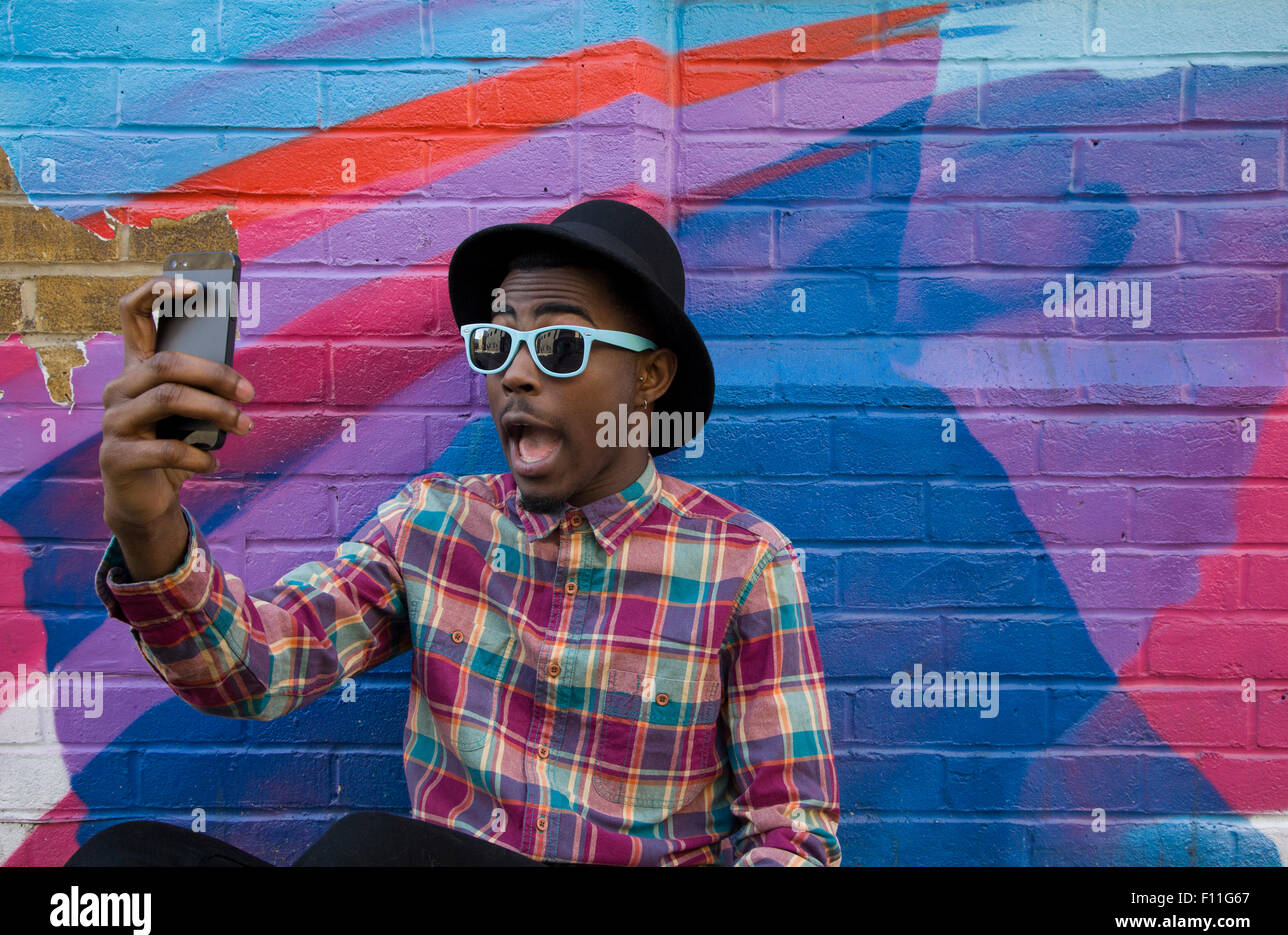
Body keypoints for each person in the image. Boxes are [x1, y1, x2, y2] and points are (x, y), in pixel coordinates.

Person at [77, 198, 840, 866]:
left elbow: (793, 835)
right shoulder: (435, 525)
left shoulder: (741, 565)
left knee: (375, 851)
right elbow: (260, 672)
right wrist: (149, 526)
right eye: (497, 344)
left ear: (648, 379)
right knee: (123, 864)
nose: (515, 374)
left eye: (559, 347)